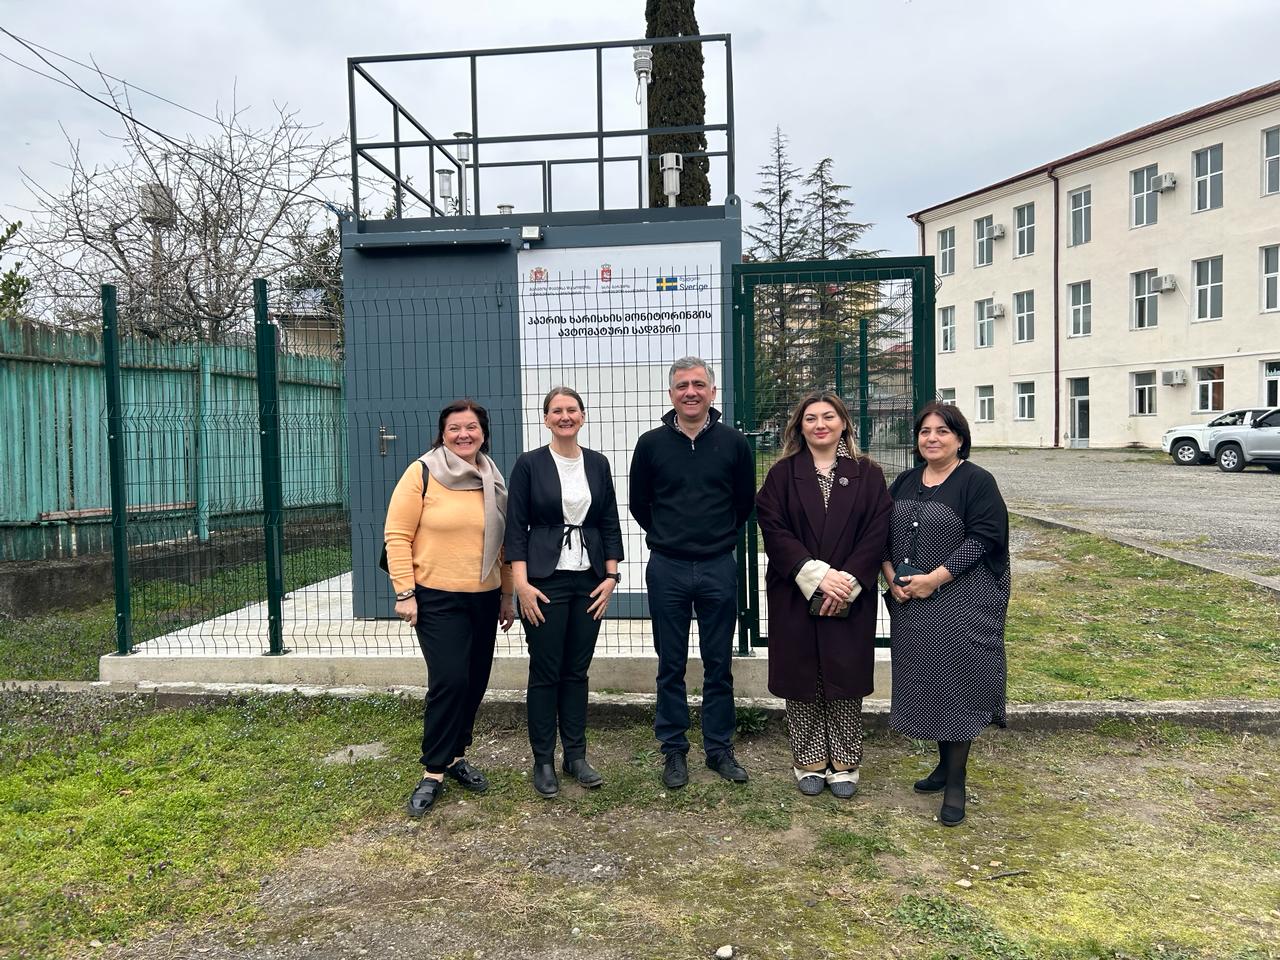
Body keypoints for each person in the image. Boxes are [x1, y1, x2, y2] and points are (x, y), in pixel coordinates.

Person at [754, 391, 892, 799]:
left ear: (844, 423)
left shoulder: (868, 473)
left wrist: (846, 581)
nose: (820, 425)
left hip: (849, 592)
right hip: (796, 590)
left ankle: (845, 762)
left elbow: (878, 529)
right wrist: (816, 575)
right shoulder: (782, 474)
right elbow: (773, 528)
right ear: (799, 427)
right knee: (802, 676)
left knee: (844, 673)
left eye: (828, 416)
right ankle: (809, 760)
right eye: (810, 418)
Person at [881, 401, 1010, 827]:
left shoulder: (976, 481)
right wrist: (891, 577)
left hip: (961, 601)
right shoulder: (905, 480)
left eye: (942, 431)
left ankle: (956, 784)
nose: (932, 438)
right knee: (931, 684)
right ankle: (942, 768)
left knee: (956, 686)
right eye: (925, 431)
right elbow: (881, 533)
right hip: (912, 605)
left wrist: (934, 579)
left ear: (960, 439)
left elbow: (984, 537)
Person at [384, 399, 515, 818]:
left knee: (474, 681)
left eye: (471, 427)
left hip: (484, 596)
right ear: (442, 434)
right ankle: (434, 770)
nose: (463, 434)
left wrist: (507, 595)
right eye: (454, 428)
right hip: (437, 596)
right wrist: (405, 592)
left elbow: (505, 545)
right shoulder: (422, 472)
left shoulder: (492, 478)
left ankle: (457, 755)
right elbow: (397, 535)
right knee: (450, 680)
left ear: (483, 433)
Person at [629, 356, 756, 789]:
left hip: (719, 566)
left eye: (698, 384)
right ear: (671, 394)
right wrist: (670, 536)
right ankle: (674, 751)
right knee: (671, 663)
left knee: (719, 663)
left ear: (712, 392)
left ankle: (719, 749)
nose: (690, 392)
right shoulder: (650, 445)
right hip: (668, 567)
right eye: (682, 385)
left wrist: (716, 538)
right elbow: (640, 503)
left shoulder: (734, 443)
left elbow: (743, 502)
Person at [505, 387, 624, 798]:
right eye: (556, 410)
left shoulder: (598, 463)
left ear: (583, 416)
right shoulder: (529, 464)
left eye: (572, 409)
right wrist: (521, 584)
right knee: (546, 671)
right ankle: (543, 760)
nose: (565, 416)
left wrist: (611, 577)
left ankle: (575, 756)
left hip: (589, 580)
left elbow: (609, 521)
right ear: (546, 419)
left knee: (576, 671)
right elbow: (515, 527)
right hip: (544, 581)